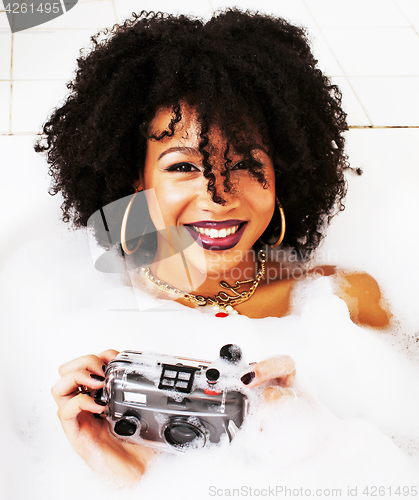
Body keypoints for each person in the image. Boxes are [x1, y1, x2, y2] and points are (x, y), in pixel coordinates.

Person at [36, 9, 392, 484]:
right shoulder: (75, 288)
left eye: (244, 162)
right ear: (136, 178)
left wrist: (313, 435)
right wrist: (123, 470)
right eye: (183, 166)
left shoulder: (344, 301)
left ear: (282, 169)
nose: (218, 197)